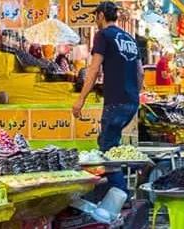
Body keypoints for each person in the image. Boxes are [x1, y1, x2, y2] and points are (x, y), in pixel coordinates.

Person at [72, 1, 142, 197]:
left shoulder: (103, 35)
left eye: (96, 16)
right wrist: (135, 93)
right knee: (109, 142)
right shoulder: (129, 38)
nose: (95, 20)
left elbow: (93, 69)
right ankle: (120, 187)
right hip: (131, 101)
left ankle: (121, 196)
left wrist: (81, 99)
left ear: (101, 15)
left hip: (116, 101)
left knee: (106, 150)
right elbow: (139, 72)